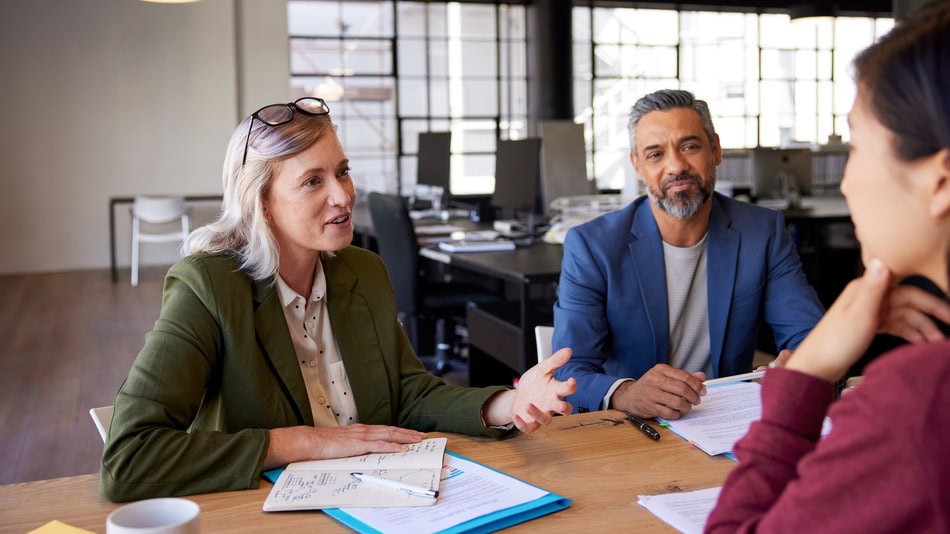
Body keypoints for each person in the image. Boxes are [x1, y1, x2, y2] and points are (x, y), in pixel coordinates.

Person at [100, 98, 576, 502]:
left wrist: (510, 404)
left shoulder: (362, 272)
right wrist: (305, 443)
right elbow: (128, 457)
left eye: (343, 172)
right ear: (261, 201)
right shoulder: (208, 287)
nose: (343, 196)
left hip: (381, 500)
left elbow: (410, 394)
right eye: (313, 181)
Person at [707, 3, 950, 531]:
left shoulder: (919, 400)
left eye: (857, 147)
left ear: (941, 181)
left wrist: (806, 373)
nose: (845, 183)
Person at [552, 89, 825, 419]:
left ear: (715, 150)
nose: (676, 166)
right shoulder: (593, 246)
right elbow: (569, 373)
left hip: (727, 419)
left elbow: (809, 334)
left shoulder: (762, 231)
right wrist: (626, 393)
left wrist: (800, 361)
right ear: (637, 166)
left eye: (690, 147)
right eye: (656, 154)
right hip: (633, 426)